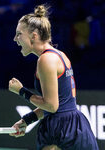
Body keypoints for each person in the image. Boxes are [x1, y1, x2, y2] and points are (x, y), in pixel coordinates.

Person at [8, 4, 99, 150]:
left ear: (34, 35)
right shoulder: (60, 55)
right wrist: (26, 120)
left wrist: (21, 91)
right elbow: (59, 106)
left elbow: (51, 105)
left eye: (19, 34)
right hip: (74, 126)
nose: (15, 39)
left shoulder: (46, 60)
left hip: (61, 130)